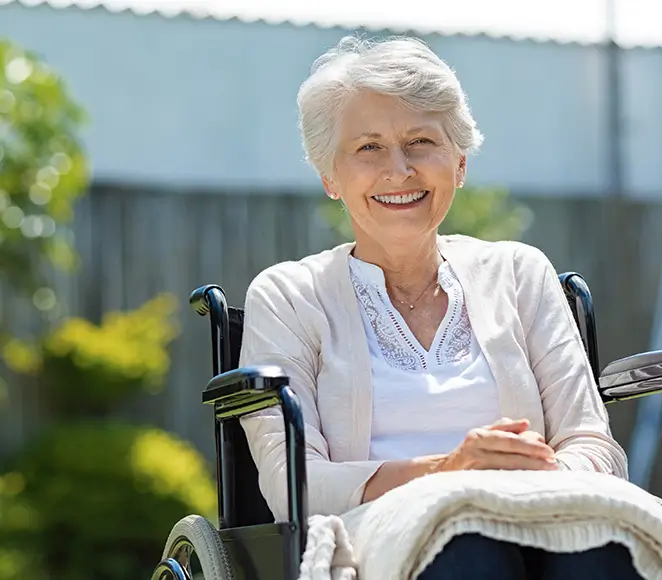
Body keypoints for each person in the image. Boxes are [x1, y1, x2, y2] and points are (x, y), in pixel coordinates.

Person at [239, 35, 639, 579]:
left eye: (421, 141)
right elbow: (294, 484)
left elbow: (593, 443)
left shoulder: (519, 273)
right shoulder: (287, 296)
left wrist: (534, 487)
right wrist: (450, 473)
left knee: (601, 551)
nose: (399, 169)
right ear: (330, 176)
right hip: (377, 536)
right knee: (469, 552)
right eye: (368, 148)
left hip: (540, 516)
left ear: (459, 163)